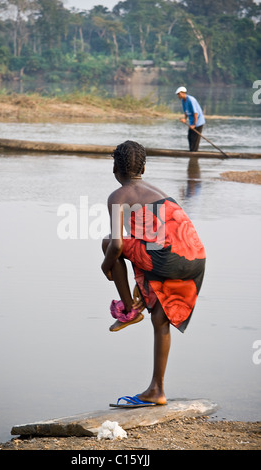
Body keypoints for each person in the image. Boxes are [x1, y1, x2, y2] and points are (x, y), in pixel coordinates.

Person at [102, 141, 206, 407]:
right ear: (144, 168)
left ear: (114, 166)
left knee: (107, 244)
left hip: (167, 258)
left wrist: (106, 265)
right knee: (160, 319)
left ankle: (129, 310)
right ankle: (157, 390)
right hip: (194, 257)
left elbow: (116, 245)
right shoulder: (159, 192)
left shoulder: (119, 195)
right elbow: (153, 237)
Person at [176, 86, 205, 152]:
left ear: (183, 93)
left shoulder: (191, 100)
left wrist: (194, 125)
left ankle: (194, 153)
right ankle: (191, 153)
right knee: (190, 137)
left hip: (198, 122)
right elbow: (186, 111)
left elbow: (195, 113)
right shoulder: (183, 101)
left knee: (195, 139)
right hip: (192, 122)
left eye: (179, 94)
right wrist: (185, 119)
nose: (178, 96)